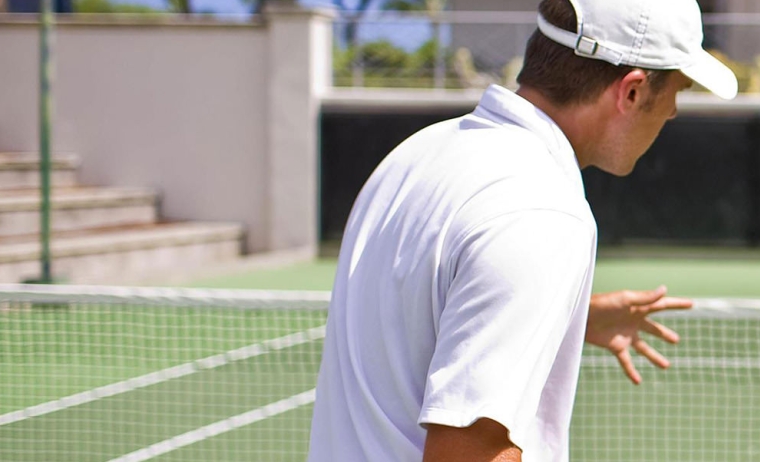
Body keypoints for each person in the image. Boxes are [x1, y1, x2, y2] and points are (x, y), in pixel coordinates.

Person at [306, 0, 737, 460]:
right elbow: (467, 453)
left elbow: (420, 314)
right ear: (631, 91)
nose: (672, 111)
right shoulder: (542, 212)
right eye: (678, 88)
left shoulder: (415, 156)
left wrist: (571, 316)